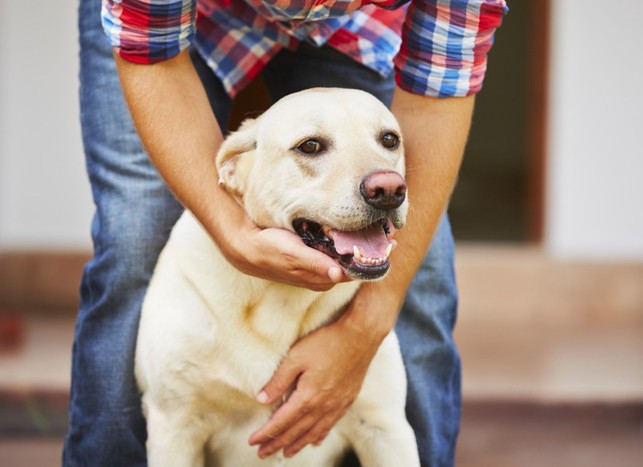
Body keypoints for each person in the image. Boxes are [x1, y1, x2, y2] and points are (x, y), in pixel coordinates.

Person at [63, 0, 507, 465]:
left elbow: (435, 107)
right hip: (178, 24)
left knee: (423, 272)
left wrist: (365, 328)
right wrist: (232, 234)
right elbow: (151, 52)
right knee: (134, 237)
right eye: (310, 147)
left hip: (365, 29)